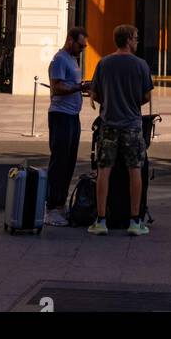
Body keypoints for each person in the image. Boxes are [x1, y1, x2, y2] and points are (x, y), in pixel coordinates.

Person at [88, 24, 154, 237]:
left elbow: (95, 94)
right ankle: (134, 221)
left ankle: (101, 220)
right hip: (132, 125)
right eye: (135, 37)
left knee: (103, 171)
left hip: (108, 124)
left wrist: (110, 102)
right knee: (134, 169)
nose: (137, 41)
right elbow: (146, 96)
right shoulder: (141, 65)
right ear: (127, 40)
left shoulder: (104, 63)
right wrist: (131, 104)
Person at [44, 26, 90, 226]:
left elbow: (70, 85)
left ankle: (60, 205)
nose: (83, 49)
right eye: (80, 45)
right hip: (61, 115)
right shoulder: (60, 59)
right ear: (70, 40)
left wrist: (81, 88)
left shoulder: (72, 60)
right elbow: (57, 87)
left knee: (69, 161)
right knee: (59, 161)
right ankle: (51, 208)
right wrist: (79, 87)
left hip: (72, 115)